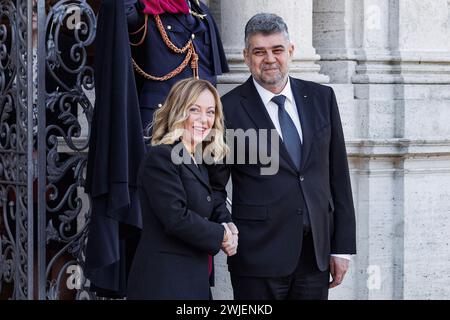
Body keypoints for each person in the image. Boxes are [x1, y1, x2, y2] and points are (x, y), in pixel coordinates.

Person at [208, 13, 357, 300]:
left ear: (290, 51)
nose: (269, 59)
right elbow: (214, 186)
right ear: (246, 56)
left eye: (277, 49)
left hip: (315, 256)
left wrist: (342, 248)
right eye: (259, 51)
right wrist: (226, 226)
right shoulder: (227, 109)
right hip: (256, 258)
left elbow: (338, 175)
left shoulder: (322, 98)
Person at [127, 78, 238, 300]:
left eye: (210, 112)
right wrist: (221, 235)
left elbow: (213, 197)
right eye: (194, 110)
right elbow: (176, 218)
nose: (204, 119)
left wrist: (227, 223)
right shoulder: (161, 157)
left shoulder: (198, 159)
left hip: (192, 279)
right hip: (163, 282)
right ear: (178, 111)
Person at [124, 0, 229, 129]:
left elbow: (208, 71)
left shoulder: (200, 10)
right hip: (161, 117)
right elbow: (122, 12)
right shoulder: (145, 7)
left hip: (200, 119)